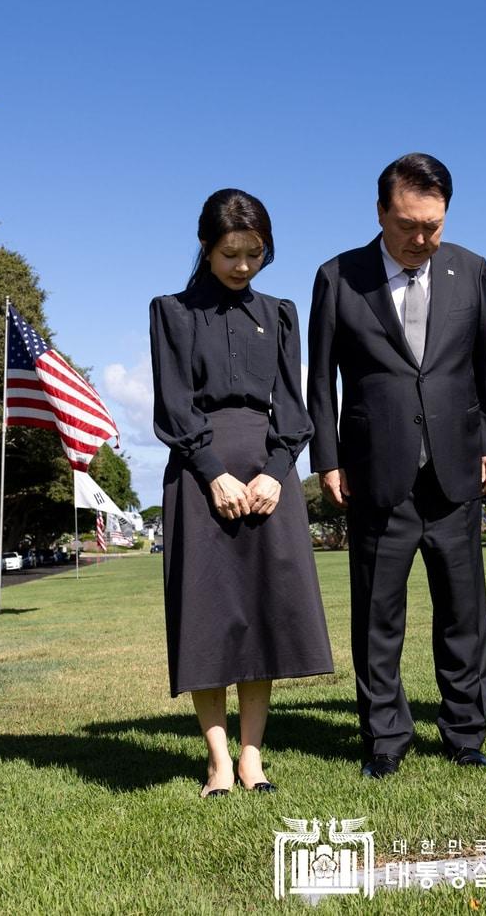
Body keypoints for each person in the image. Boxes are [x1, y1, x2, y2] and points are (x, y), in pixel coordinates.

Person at [307, 153, 486, 778]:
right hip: (375, 474)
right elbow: (320, 381)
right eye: (408, 225)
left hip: (456, 472)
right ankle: (385, 742)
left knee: (464, 615)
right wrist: (328, 459)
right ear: (380, 212)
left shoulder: (471, 270)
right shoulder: (338, 276)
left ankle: (465, 734)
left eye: (434, 225)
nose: (422, 238)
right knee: (377, 619)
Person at [150, 189, 333, 797]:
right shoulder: (171, 312)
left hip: (267, 478)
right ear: (206, 247)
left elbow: (294, 405)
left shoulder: (279, 313)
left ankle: (253, 759)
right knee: (208, 621)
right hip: (198, 477)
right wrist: (211, 470)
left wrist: (277, 471)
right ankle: (218, 763)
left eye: (255, 254)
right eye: (231, 254)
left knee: (261, 618)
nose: (243, 266)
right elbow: (174, 404)